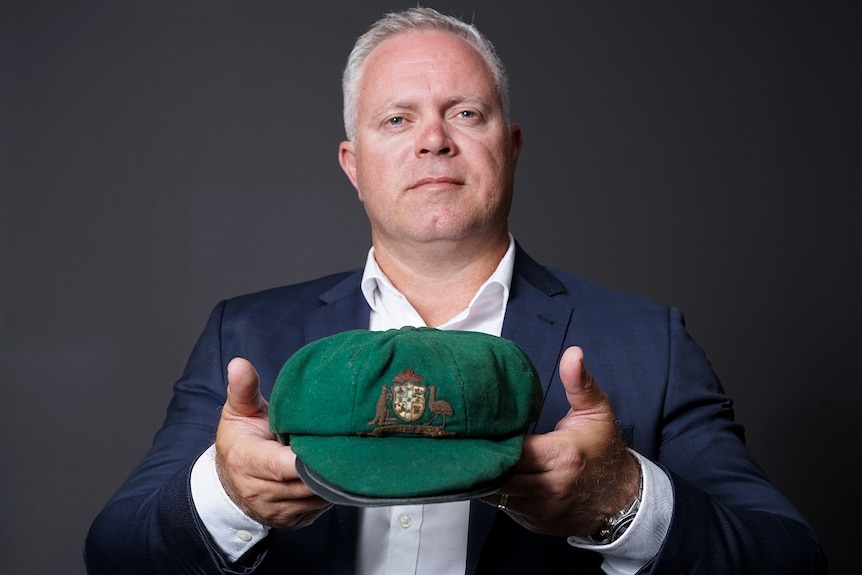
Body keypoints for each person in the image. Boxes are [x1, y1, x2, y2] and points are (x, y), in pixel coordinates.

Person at [84, 6, 826, 574]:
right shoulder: (245, 336)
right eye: (396, 118)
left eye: (466, 113)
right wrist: (228, 496)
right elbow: (116, 551)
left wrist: (620, 500)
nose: (433, 139)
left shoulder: (646, 343)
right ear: (352, 162)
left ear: (511, 144)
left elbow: (789, 554)